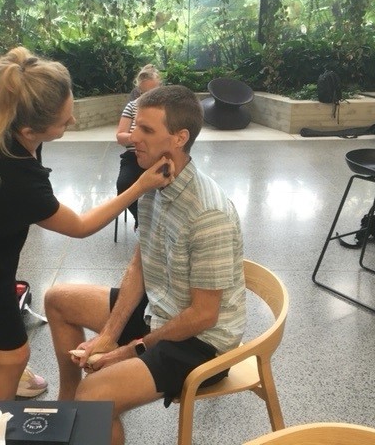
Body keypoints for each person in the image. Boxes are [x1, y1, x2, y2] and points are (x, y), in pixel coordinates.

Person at [0, 46, 173, 401]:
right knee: (15, 356)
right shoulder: (10, 172)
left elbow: (17, 55)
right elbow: (81, 225)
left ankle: (6, 358)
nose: (71, 122)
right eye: (64, 121)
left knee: (6, 339)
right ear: (30, 130)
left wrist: (26, 61)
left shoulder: (6, 109)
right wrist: (141, 185)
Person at [45, 85, 246, 445]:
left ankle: (84, 410)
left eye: (147, 130)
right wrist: (106, 336)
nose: (132, 136)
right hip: (162, 310)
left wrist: (124, 351)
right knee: (59, 299)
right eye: (135, 126)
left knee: (95, 395)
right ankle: (68, 410)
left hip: (201, 341)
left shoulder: (208, 213)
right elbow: (140, 264)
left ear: (180, 138)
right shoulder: (155, 180)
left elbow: (204, 315)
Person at [115, 64, 162, 227]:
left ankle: (160, 223)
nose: (148, 97)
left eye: (153, 92)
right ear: (139, 91)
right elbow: (120, 136)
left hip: (157, 157)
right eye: (144, 93)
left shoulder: (166, 108)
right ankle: (143, 222)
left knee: (169, 185)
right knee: (123, 185)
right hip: (133, 157)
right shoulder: (132, 106)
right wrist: (138, 138)